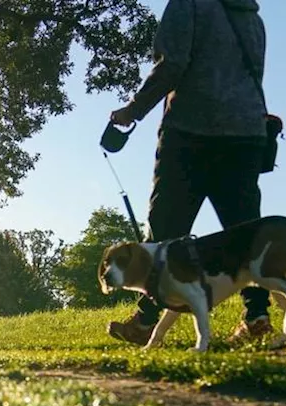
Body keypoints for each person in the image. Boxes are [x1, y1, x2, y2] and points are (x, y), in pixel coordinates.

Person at [106, 0, 275, 346]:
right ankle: (257, 317)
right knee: (246, 232)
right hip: (245, 132)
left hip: (190, 133)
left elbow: (173, 65)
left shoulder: (188, 4)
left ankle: (145, 322)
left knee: (165, 231)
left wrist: (133, 110)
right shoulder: (253, 17)